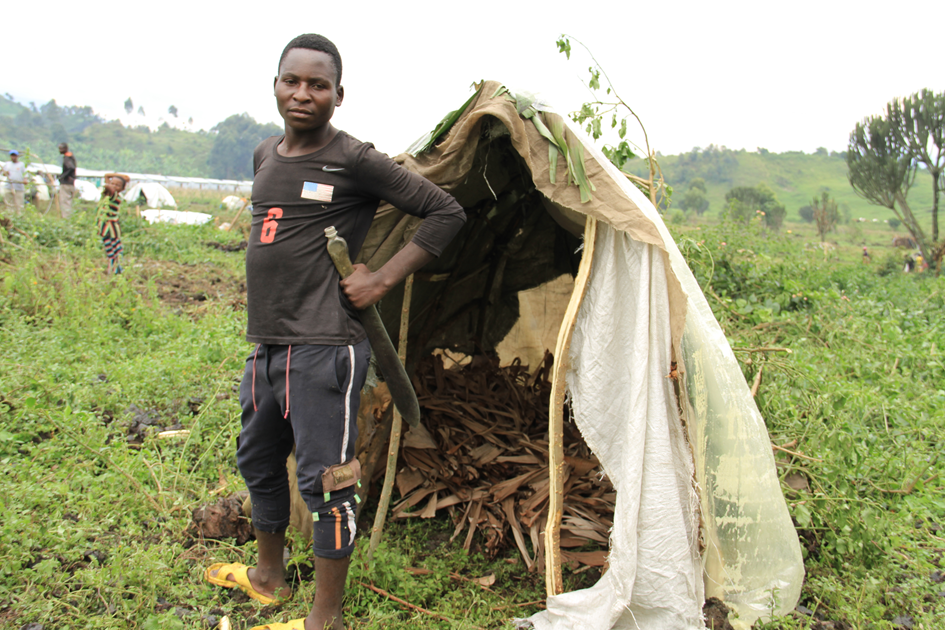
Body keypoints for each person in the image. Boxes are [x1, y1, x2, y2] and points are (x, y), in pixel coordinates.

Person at [204, 34, 465, 630]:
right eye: (292, 81)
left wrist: (383, 279)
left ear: (338, 95)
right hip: (267, 345)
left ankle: (326, 620)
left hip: (325, 349)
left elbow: (446, 211)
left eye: (317, 85)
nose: (303, 93)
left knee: (327, 483)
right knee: (258, 461)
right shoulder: (265, 155)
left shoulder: (354, 159)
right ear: (275, 86)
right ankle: (268, 577)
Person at [95, 173, 129, 275]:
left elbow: (108, 186)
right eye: (112, 183)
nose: (113, 186)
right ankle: (115, 269)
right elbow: (106, 176)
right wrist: (121, 176)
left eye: (117, 185)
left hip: (111, 228)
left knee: (115, 249)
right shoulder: (108, 195)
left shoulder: (115, 196)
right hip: (105, 227)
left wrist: (110, 183)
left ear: (122, 189)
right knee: (110, 249)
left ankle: (116, 269)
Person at [58, 143, 77, 218]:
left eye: (61, 148)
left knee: (65, 201)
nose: (60, 150)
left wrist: (63, 176)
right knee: (68, 202)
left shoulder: (67, 158)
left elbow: (71, 167)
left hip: (66, 183)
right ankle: (68, 217)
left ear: (66, 149)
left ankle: (66, 218)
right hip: (70, 183)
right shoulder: (71, 157)